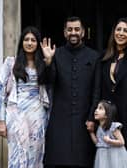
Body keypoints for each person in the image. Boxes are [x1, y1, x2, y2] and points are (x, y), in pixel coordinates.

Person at [41, 16, 101, 168]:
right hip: (59, 121)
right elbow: (48, 81)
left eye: (76, 29)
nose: (73, 32)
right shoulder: (57, 55)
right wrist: (48, 62)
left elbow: (96, 90)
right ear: (64, 32)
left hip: (85, 122)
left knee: (84, 163)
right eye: (69, 29)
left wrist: (92, 118)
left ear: (82, 32)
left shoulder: (94, 56)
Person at [0, 26, 50, 168]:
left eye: (33, 40)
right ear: (21, 42)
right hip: (16, 114)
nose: (29, 43)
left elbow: (52, 84)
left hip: (38, 114)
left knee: (36, 155)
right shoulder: (11, 63)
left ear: (38, 44)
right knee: (17, 153)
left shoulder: (42, 64)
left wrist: (48, 61)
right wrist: (0, 121)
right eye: (26, 40)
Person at [101, 17, 127, 149]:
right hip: (108, 116)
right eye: (118, 29)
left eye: (125, 30)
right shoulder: (104, 57)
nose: (121, 33)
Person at [89, 100, 127, 168]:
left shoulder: (113, 127)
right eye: (97, 108)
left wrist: (109, 141)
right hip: (102, 156)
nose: (96, 110)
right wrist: (91, 133)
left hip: (114, 155)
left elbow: (122, 142)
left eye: (100, 108)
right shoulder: (99, 128)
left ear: (106, 115)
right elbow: (98, 143)